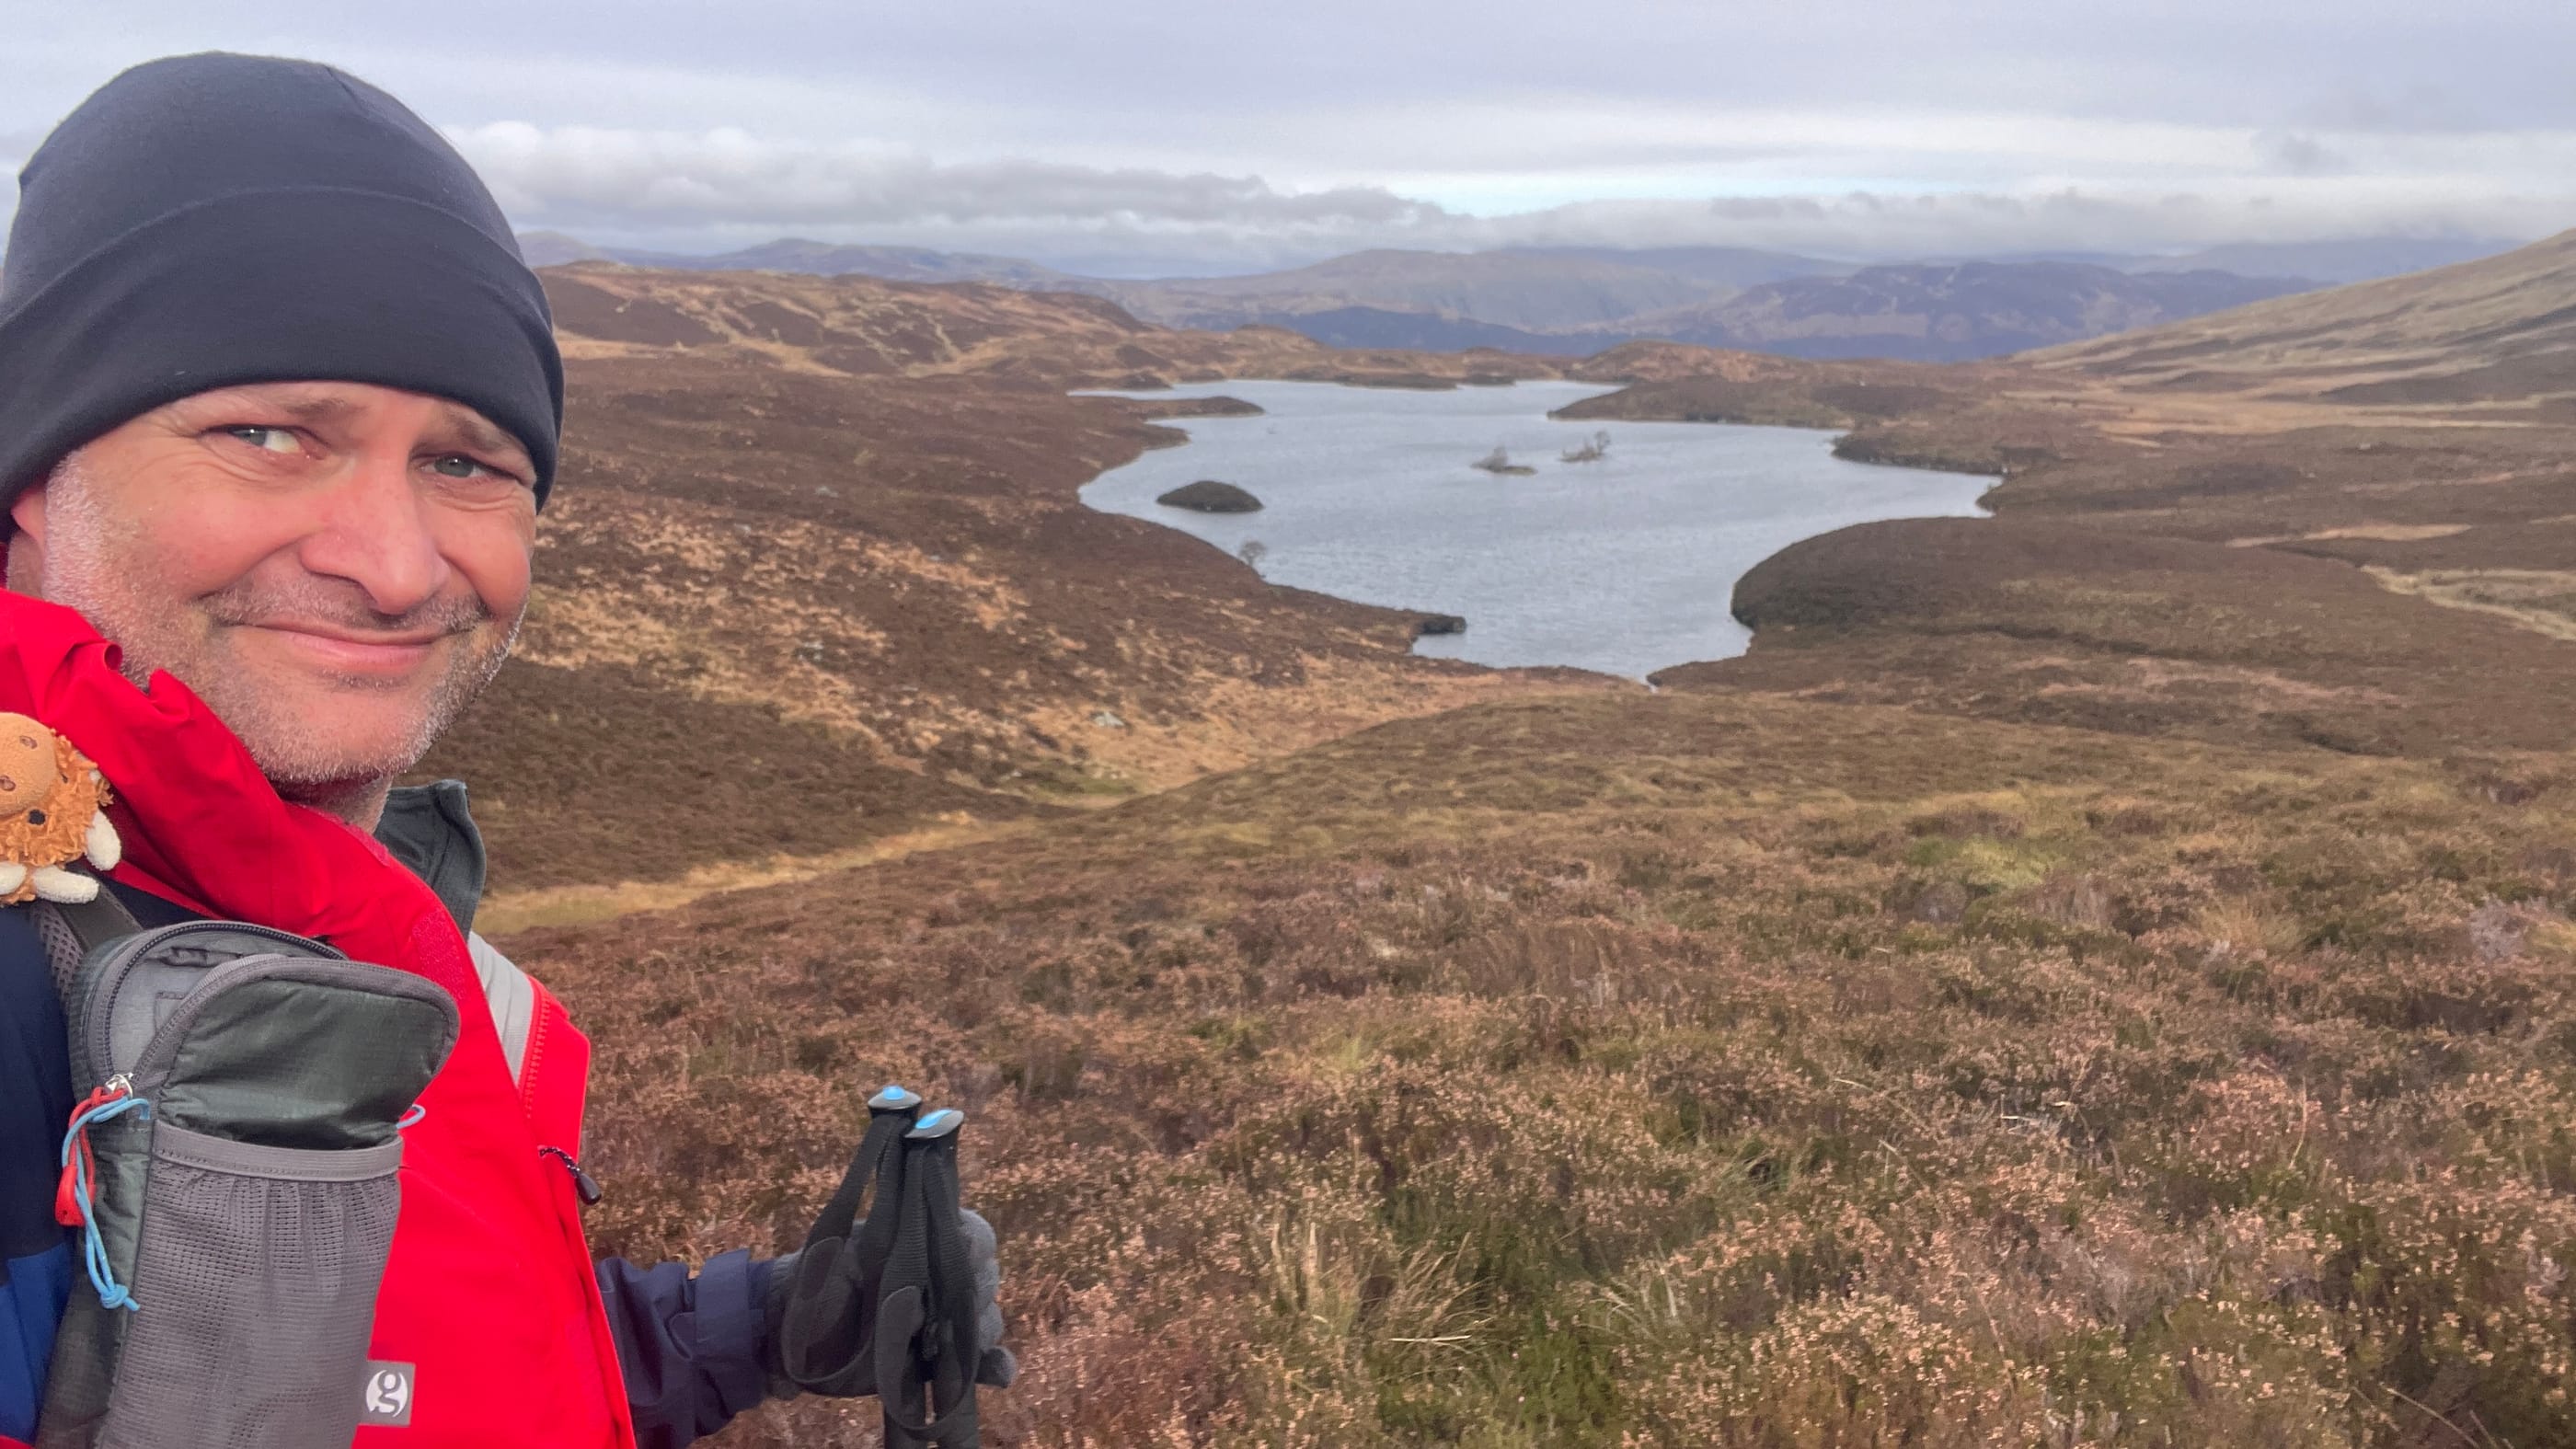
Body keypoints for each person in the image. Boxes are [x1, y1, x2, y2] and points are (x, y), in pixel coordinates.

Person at [0, 53, 1000, 1447]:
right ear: (38, 480)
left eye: (467, 463)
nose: (398, 567)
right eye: (271, 434)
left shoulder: (399, 937)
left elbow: (419, 1378)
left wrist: (756, 1325)